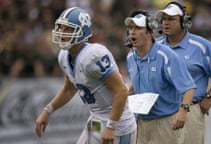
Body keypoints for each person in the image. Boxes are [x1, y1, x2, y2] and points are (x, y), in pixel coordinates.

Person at [35, 7, 137, 144]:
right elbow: (70, 88)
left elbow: (121, 90)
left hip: (118, 125)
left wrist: (111, 126)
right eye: (60, 27)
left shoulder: (93, 56)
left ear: (82, 32)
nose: (61, 32)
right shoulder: (64, 56)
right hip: (96, 120)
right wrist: (47, 110)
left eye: (68, 29)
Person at [155, 1, 211, 144]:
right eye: (164, 19)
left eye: (172, 19)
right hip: (160, 113)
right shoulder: (155, 47)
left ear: (184, 22)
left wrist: (210, 97)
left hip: (189, 111)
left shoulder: (201, 46)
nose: (166, 23)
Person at [124, 9, 196, 144]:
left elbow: (188, 87)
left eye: (138, 28)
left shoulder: (166, 55)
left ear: (150, 33)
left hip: (165, 122)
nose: (132, 32)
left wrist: (183, 111)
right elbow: (137, 81)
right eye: (131, 28)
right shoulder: (130, 57)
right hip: (139, 122)